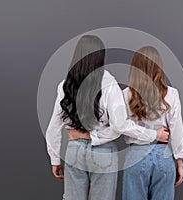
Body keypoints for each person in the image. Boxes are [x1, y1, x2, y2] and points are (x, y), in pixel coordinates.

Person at [45, 35, 170, 200]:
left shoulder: (65, 85)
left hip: (73, 151)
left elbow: (53, 128)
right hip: (103, 153)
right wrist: (154, 135)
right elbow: (120, 126)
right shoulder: (109, 83)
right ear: (101, 57)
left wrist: (55, 159)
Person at [122, 46, 183, 200]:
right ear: (159, 67)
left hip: (135, 155)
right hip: (163, 156)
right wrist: (179, 162)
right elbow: (177, 130)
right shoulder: (171, 94)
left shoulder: (125, 95)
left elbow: (122, 127)